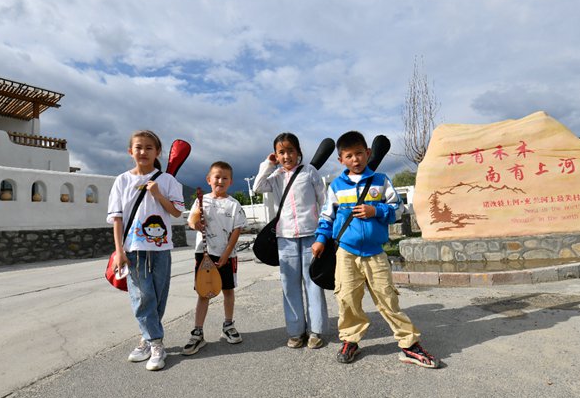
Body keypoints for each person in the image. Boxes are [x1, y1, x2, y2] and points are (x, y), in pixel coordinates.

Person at [312, 131, 440, 368]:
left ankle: (408, 344)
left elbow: (399, 209)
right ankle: (351, 340)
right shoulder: (337, 186)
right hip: (346, 252)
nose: (355, 160)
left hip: (375, 252)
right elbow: (326, 216)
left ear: (368, 153)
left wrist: (376, 211)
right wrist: (320, 238)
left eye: (359, 153)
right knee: (347, 299)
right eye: (349, 156)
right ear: (341, 160)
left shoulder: (381, 181)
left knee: (387, 298)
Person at [107, 130, 185, 371]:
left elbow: (176, 212)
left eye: (149, 147)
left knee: (159, 297)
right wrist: (119, 251)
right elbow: (117, 219)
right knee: (142, 297)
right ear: (131, 151)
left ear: (157, 152)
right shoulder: (122, 180)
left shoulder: (168, 181)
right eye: (138, 147)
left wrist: (157, 194)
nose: (143, 152)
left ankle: (146, 339)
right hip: (134, 249)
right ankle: (156, 343)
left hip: (161, 248)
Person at [253, 133, 329, 349]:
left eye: (290, 151)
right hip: (284, 238)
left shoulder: (309, 172)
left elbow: (323, 201)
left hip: (310, 236)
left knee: (313, 283)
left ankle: (316, 331)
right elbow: (258, 186)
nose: (286, 156)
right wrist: (268, 164)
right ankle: (296, 332)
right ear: (276, 155)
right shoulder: (275, 176)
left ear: (299, 152)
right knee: (289, 286)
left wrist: (324, 232)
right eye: (281, 152)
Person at [182, 161, 247, 355]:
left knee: (228, 290)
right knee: (204, 292)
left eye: (225, 177)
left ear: (231, 182)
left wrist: (227, 254)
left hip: (227, 255)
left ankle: (228, 324)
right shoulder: (201, 200)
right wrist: (197, 223)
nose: (220, 180)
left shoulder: (234, 204)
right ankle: (198, 331)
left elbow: (237, 231)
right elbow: (192, 220)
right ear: (209, 180)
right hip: (204, 254)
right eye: (217, 177)